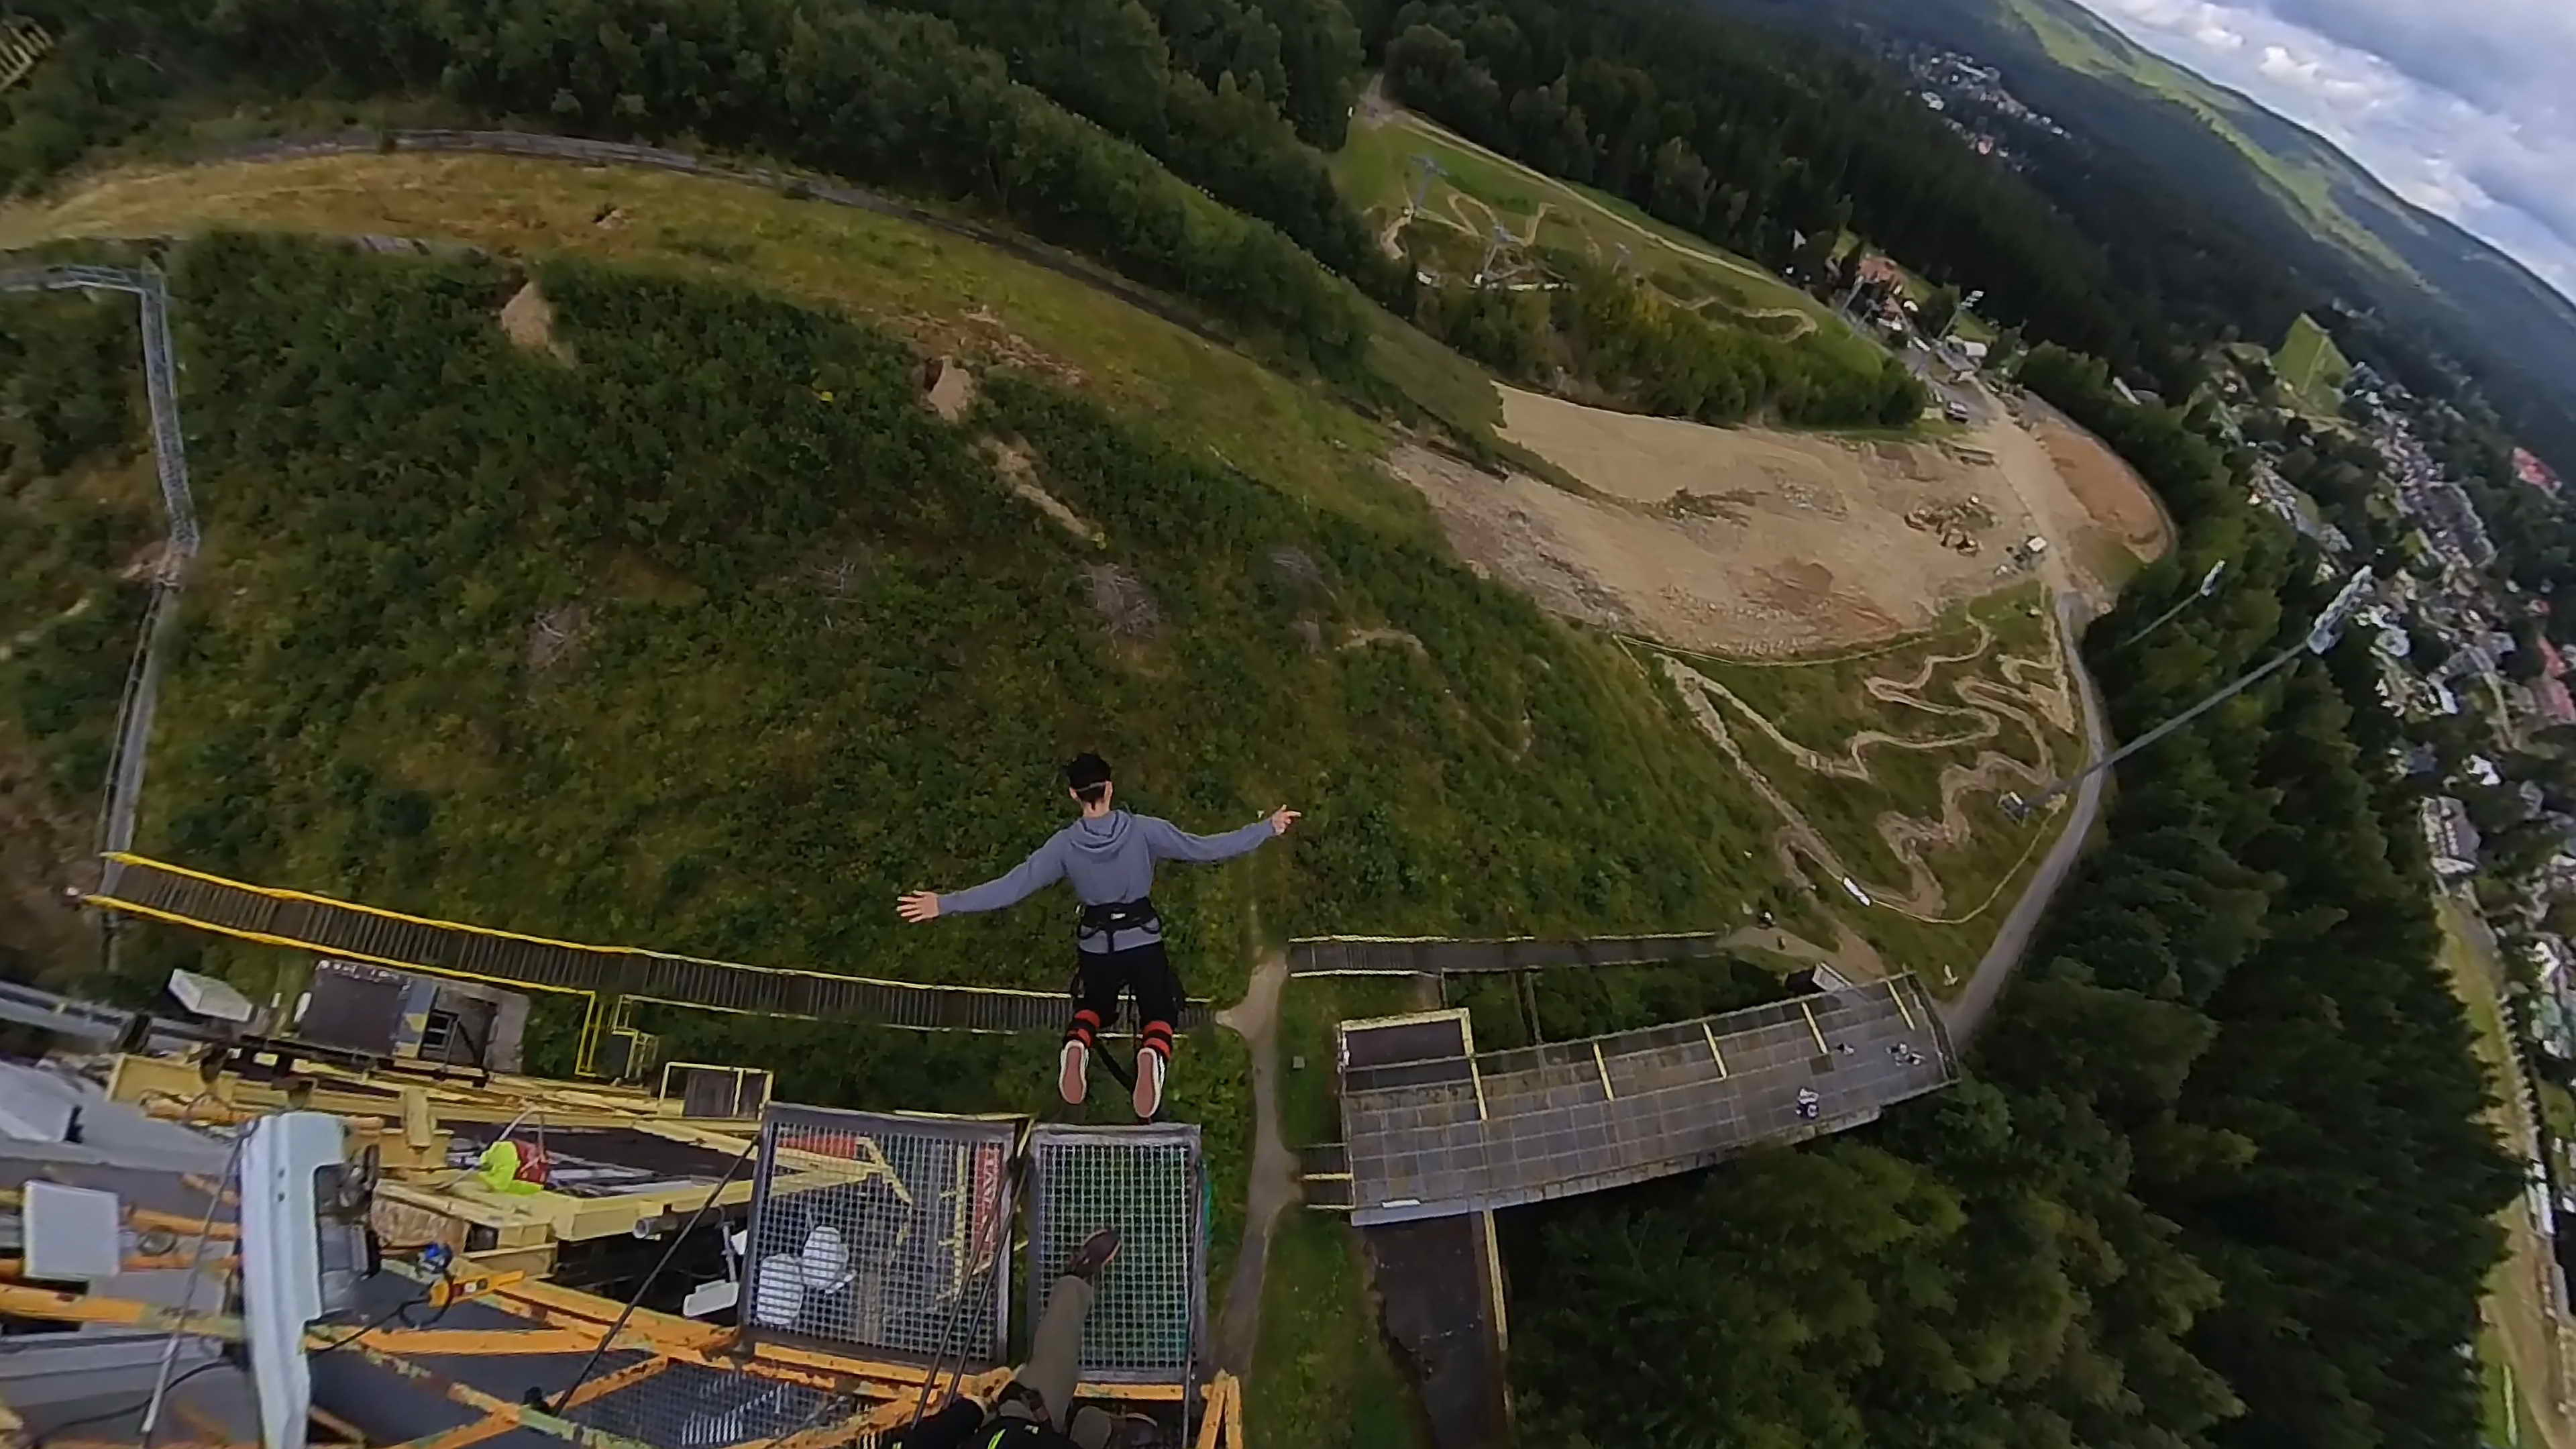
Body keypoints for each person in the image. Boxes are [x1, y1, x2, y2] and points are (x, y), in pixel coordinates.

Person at [898, 753, 1297, 1118]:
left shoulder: (1064, 847)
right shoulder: (1143, 830)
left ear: (1075, 794)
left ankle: (1079, 1039)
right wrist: (1267, 828)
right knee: (1160, 1010)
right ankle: (1151, 1052)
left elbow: (1011, 886)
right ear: (1109, 787)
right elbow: (1205, 848)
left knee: (1097, 1004)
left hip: (1096, 944)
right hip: (1142, 939)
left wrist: (945, 903)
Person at [896, 1228, 1159, 1449]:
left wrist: (972, 1410)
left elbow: (919, 1442)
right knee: (1090, 1429)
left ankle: (1075, 1279)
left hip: (1015, 1426)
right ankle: (1104, 1429)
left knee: (1056, 1355)